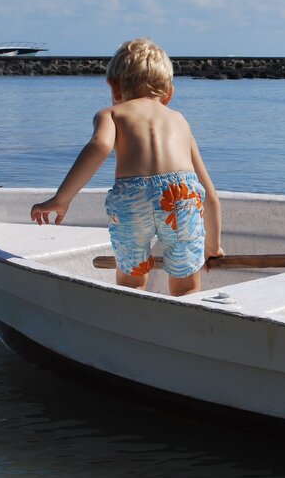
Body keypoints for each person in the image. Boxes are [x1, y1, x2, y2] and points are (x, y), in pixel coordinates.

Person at [30, 38, 223, 296]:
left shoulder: (112, 114)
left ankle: (133, 316)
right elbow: (209, 195)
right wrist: (212, 247)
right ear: (169, 94)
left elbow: (99, 147)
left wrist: (62, 199)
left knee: (132, 280)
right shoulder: (179, 120)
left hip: (133, 198)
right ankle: (188, 324)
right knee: (186, 284)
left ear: (114, 86)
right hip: (181, 197)